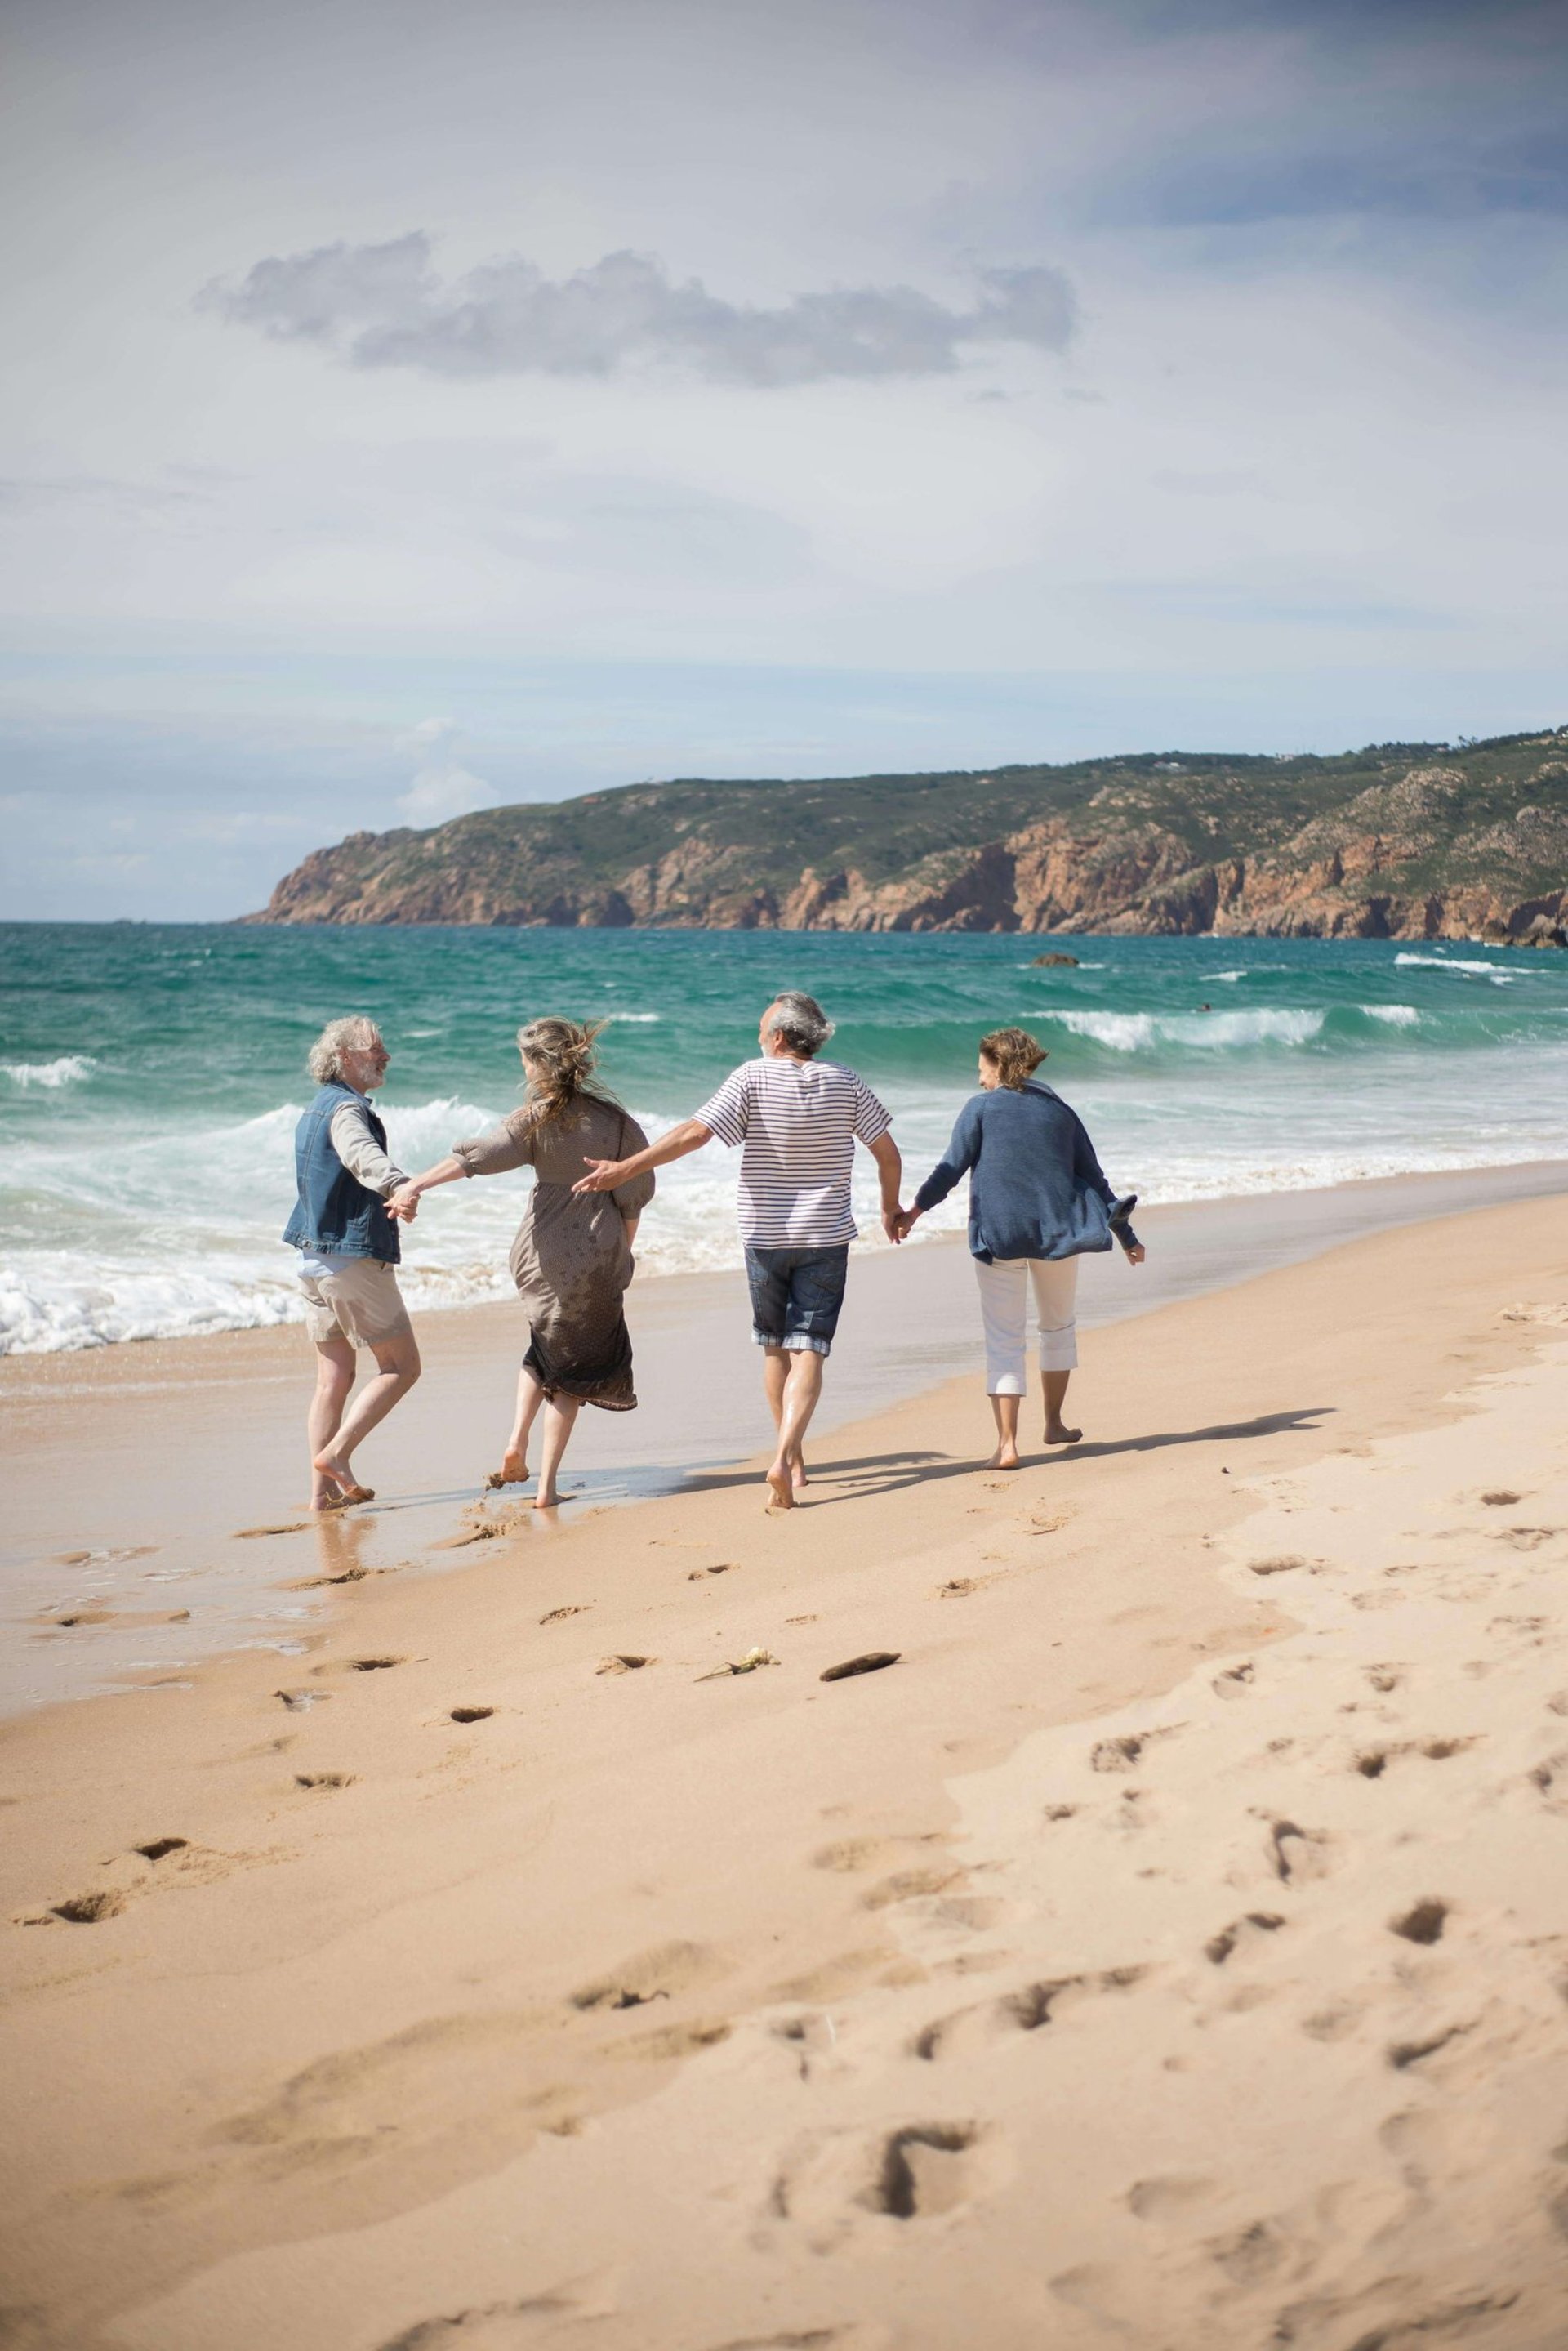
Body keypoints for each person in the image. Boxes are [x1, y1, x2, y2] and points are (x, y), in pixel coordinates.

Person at [573, 991, 901, 1511]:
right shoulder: (846, 1081)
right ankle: (787, 1457)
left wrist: (625, 1168)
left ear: (779, 1037)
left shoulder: (752, 1076)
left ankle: (789, 1461)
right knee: (809, 1348)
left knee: (774, 1346)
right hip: (824, 1235)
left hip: (765, 1236)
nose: (757, 1036)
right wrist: (891, 1208)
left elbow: (695, 1133)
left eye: (761, 1028)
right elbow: (886, 1151)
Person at [391, 1019, 654, 1510]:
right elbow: (634, 1197)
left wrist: (415, 1185)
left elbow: (479, 1159)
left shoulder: (532, 1118)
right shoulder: (617, 1123)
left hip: (540, 1255)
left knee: (543, 1344)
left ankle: (516, 1438)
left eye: (525, 1059)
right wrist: (622, 1257)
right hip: (596, 1256)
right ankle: (547, 1487)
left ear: (538, 1063)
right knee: (572, 1373)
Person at [896, 1026, 1143, 1470]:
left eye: (982, 1070)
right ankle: (1053, 1424)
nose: (978, 1080)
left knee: (1005, 1338)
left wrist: (913, 1213)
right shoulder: (1060, 1112)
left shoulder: (981, 1109)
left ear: (999, 1065)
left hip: (1000, 1236)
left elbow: (949, 1170)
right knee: (1057, 1328)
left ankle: (1007, 1445)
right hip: (1058, 1236)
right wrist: (1127, 1236)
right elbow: (1096, 1179)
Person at [283, 1015, 422, 1511]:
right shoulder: (345, 1108)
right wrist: (398, 1185)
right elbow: (361, 1154)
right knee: (402, 1367)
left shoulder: (314, 1108)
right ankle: (337, 1456)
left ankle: (320, 1497)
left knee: (333, 1379)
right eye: (374, 1049)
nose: (385, 1056)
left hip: (312, 1262)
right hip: (350, 1263)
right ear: (343, 1056)